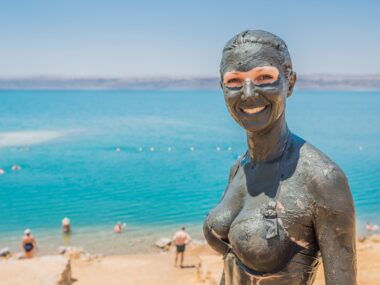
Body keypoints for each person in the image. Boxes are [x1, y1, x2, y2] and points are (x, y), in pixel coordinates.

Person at [203, 30, 356, 285]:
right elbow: (229, 267)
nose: (248, 93)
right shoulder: (239, 169)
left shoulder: (323, 179)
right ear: (222, 88)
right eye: (234, 81)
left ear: (290, 83)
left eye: (264, 78)